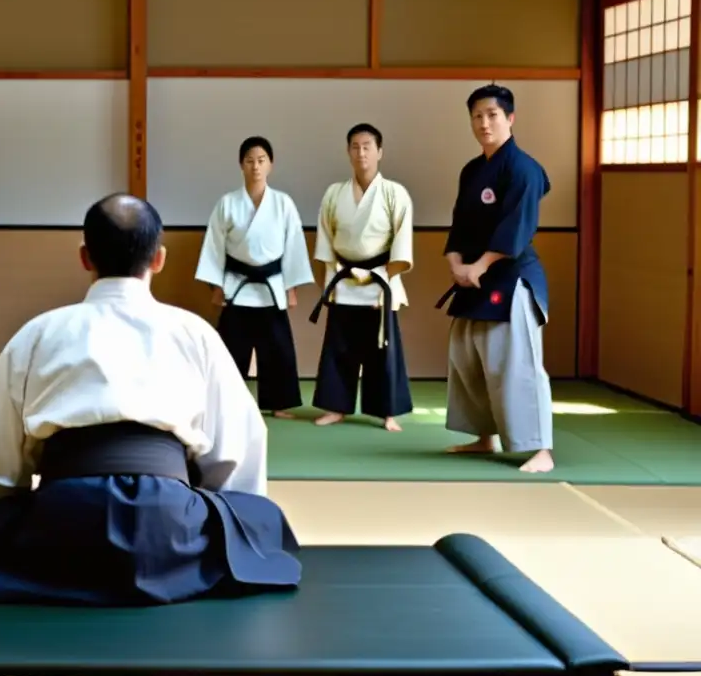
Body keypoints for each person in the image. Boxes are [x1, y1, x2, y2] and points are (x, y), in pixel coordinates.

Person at [0, 193, 302, 606]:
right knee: (261, 522)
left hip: (62, 529)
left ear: (85, 257)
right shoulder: (196, 334)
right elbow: (238, 452)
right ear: (159, 259)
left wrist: (25, 517)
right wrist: (216, 515)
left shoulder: (39, 334)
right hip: (170, 531)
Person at [436, 84, 554, 474]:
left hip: (511, 277)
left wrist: (480, 266)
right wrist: (457, 263)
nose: (484, 123)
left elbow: (516, 230)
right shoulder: (472, 170)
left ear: (510, 118)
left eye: (492, 115)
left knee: (516, 363)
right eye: (477, 116)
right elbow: (459, 224)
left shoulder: (523, 169)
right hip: (473, 277)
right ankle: (483, 436)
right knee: (468, 357)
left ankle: (541, 450)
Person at [194, 136, 314, 418]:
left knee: (277, 348)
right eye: (249, 161)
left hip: (272, 286)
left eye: (261, 161)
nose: (255, 167)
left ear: (270, 164)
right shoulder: (227, 203)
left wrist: (291, 286)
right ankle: (226, 402)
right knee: (231, 347)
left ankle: (279, 403)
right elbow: (214, 246)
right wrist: (216, 285)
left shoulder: (283, 203)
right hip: (236, 285)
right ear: (241, 165)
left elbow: (294, 246)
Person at [308, 123, 415, 431]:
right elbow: (326, 241)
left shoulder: (395, 193)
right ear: (348, 152)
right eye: (355, 146)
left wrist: (381, 276)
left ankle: (387, 412)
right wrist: (331, 281)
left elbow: (402, 245)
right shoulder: (334, 193)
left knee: (382, 349)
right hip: (344, 278)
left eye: (367, 146)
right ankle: (335, 407)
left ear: (379, 152)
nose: (361, 152)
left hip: (381, 279)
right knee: (339, 345)